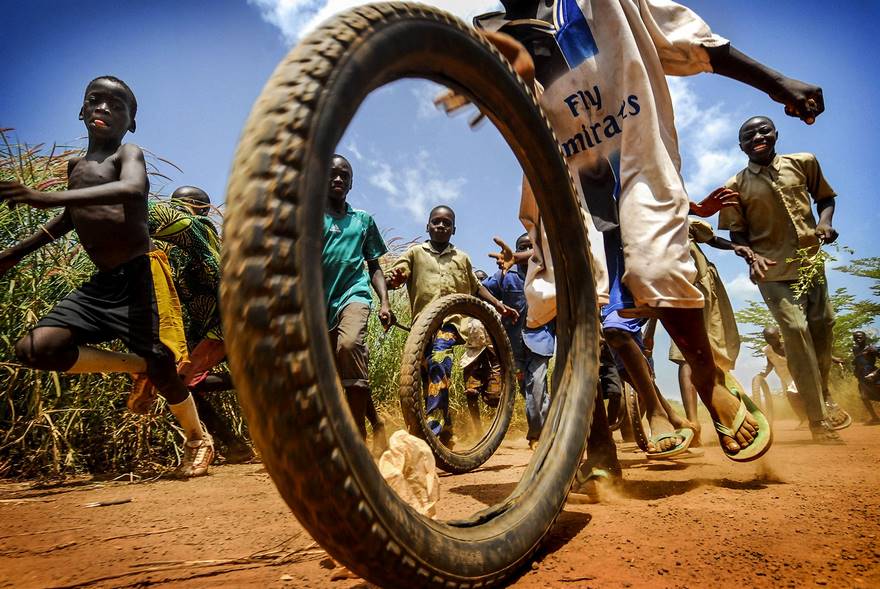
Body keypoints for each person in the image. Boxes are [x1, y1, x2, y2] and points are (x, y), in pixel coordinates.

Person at [443, 0, 831, 466]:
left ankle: (708, 380)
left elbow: (691, 40)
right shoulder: (490, 30)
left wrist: (777, 83)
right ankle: (597, 447)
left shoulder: (608, 4)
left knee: (657, 267)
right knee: (569, 304)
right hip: (566, 180)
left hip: (635, 154)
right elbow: (487, 88)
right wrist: (483, 74)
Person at [0, 76, 213, 477]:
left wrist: (46, 196)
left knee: (164, 369)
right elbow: (68, 220)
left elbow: (132, 190)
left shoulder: (127, 154)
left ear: (131, 122)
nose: (103, 109)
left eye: (117, 106)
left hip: (137, 279)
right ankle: (136, 365)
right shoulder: (74, 167)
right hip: (101, 285)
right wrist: (12, 255)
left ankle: (197, 439)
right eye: (95, 101)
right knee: (34, 348)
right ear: (81, 111)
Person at [718, 115, 849, 443]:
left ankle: (823, 391)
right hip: (771, 270)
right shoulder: (734, 186)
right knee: (794, 329)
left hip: (809, 262)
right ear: (741, 146)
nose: (758, 136)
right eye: (749, 135)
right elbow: (737, 233)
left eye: (764, 130)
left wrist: (825, 222)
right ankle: (819, 421)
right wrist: (750, 255)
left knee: (824, 324)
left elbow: (825, 199)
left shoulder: (804, 163)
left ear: (775, 133)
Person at [386, 205, 518, 446]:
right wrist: (393, 279)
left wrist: (499, 305)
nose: (441, 226)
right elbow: (399, 273)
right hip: (422, 326)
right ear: (427, 226)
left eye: (447, 223)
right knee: (428, 375)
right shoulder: (416, 253)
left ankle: (431, 432)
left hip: (454, 323)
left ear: (454, 229)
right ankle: (447, 428)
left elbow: (476, 288)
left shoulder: (462, 257)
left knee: (439, 360)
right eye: (436, 221)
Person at [148, 186, 253, 463]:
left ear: (201, 210)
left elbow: (159, 216)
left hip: (225, 323)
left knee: (180, 382)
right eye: (174, 204)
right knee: (181, 384)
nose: (175, 208)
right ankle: (236, 445)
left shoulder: (199, 227)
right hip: (204, 324)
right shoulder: (172, 247)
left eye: (182, 205)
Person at [322, 154, 393, 453]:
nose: (338, 179)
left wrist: (385, 302)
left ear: (351, 183)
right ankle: (377, 424)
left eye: (344, 176)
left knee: (349, 346)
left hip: (354, 294)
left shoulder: (362, 220)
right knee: (345, 371)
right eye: (332, 174)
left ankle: (356, 440)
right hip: (319, 303)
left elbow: (374, 265)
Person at [663, 215, 749, 445]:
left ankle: (722, 408)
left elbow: (712, 239)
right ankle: (694, 424)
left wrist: (736, 246)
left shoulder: (683, 218)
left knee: (715, 351)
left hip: (706, 291)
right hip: (677, 291)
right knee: (684, 356)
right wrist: (651, 329)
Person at [483, 233, 556, 448]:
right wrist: (499, 305)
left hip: (541, 339)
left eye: (530, 247)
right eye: (521, 247)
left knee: (538, 385)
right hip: (514, 344)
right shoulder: (505, 275)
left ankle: (537, 435)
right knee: (528, 389)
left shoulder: (547, 275)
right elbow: (483, 289)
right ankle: (551, 423)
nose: (525, 252)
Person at [851, 330, 880, 424]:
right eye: (855, 337)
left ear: (865, 338)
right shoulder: (855, 349)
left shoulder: (872, 349)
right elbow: (859, 361)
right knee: (864, 397)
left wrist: (875, 373)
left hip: (873, 375)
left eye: (860, 337)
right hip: (862, 377)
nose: (858, 339)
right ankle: (875, 418)